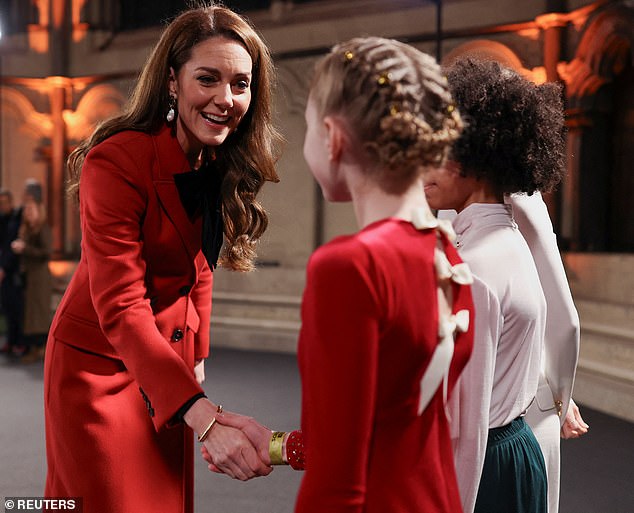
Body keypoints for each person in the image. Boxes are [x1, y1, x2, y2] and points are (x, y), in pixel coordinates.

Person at [209, 37, 476, 513]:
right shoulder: (447, 255)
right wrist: (283, 446)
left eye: (309, 126)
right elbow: (400, 425)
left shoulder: (350, 266)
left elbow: (337, 485)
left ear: (332, 137)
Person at [44, 4, 280, 512]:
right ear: (172, 83)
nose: (226, 99)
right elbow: (122, 306)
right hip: (98, 367)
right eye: (208, 79)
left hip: (166, 361)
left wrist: (195, 357)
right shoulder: (117, 161)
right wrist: (204, 415)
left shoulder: (216, 159)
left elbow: (200, 268)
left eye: (241, 84)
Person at [422, 57, 564, 513]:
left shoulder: (476, 268)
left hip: (487, 466)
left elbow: (468, 427)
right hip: (517, 452)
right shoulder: (510, 240)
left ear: (476, 157)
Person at [510, 192, 589, 513]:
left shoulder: (521, 198)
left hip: (524, 406)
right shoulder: (447, 201)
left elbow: (562, 319)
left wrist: (558, 395)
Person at [11, 180, 53, 363]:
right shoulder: (28, 227)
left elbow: (46, 253)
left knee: (39, 314)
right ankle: (35, 348)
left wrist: (25, 248)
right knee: (31, 314)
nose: (27, 213)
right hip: (30, 275)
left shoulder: (43, 227)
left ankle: (42, 348)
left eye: (30, 210)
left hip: (40, 276)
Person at [0, 189, 24, 356]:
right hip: (4, 269)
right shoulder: (2, 220)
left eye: (5, 202)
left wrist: (4, 268)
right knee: (7, 308)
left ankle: (18, 341)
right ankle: (10, 340)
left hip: (13, 271)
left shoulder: (16, 219)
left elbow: (11, 248)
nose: (3, 206)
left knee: (17, 308)